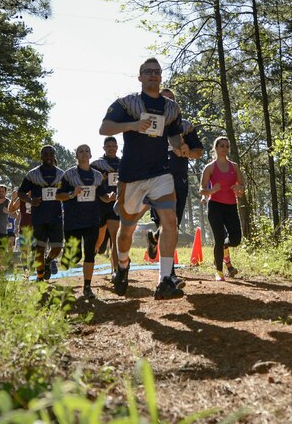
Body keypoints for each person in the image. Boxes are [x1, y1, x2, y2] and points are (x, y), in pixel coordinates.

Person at [99, 57, 189, 300]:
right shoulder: (128, 103)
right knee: (126, 229)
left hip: (160, 172)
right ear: (140, 77)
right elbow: (105, 128)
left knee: (169, 221)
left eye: (157, 72)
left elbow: (173, 137)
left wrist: (180, 147)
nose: (153, 75)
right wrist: (133, 125)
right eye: (148, 72)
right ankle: (123, 267)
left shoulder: (171, 107)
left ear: (161, 77)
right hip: (132, 176)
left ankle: (164, 280)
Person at [147, 88, 204, 283]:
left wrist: (188, 151)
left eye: (171, 100)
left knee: (173, 224)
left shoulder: (185, 126)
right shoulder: (150, 123)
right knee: (165, 224)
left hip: (178, 179)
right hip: (156, 179)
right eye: (163, 99)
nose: (167, 103)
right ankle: (169, 274)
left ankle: (154, 239)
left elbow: (199, 151)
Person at [58, 144, 113, 299]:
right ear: (76, 156)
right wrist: (71, 193)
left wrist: (109, 197)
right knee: (75, 257)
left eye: (86, 151)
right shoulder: (69, 174)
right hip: (73, 222)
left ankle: (87, 287)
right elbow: (58, 195)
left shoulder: (97, 175)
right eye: (80, 151)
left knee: (90, 254)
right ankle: (67, 255)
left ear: (90, 155)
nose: (84, 153)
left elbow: (102, 195)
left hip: (92, 221)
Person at [16, 145, 65, 281]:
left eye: (51, 154)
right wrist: (31, 200)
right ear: (41, 156)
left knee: (57, 249)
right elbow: (20, 192)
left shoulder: (61, 174)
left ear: (54, 156)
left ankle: (48, 262)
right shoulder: (33, 174)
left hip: (56, 217)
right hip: (39, 218)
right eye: (45, 154)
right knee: (39, 249)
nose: (48, 156)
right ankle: (40, 276)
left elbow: (69, 191)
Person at [200, 136, 245, 281]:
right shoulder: (210, 167)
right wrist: (211, 191)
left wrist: (239, 188)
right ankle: (219, 272)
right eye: (221, 146)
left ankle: (225, 245)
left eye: (227, 146)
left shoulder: (235, 166)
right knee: (218, 239)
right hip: (215, 207)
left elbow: (242, 187)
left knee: (236, 239)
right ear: (216, 148)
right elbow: (201, 190)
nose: (224, 148)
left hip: (231, 206)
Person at [91, 136, 121, 274]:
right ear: (104, 148)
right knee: (98, 241)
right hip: (99, 206)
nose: (111, 148)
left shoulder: (123, 164)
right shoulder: (97, 164)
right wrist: (99, 180)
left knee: (115, 239)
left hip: (115, 205)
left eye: (113, 146)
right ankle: (91, 259)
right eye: (108, 146)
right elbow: (88, 182)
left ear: (117, 147)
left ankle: (116, 270)